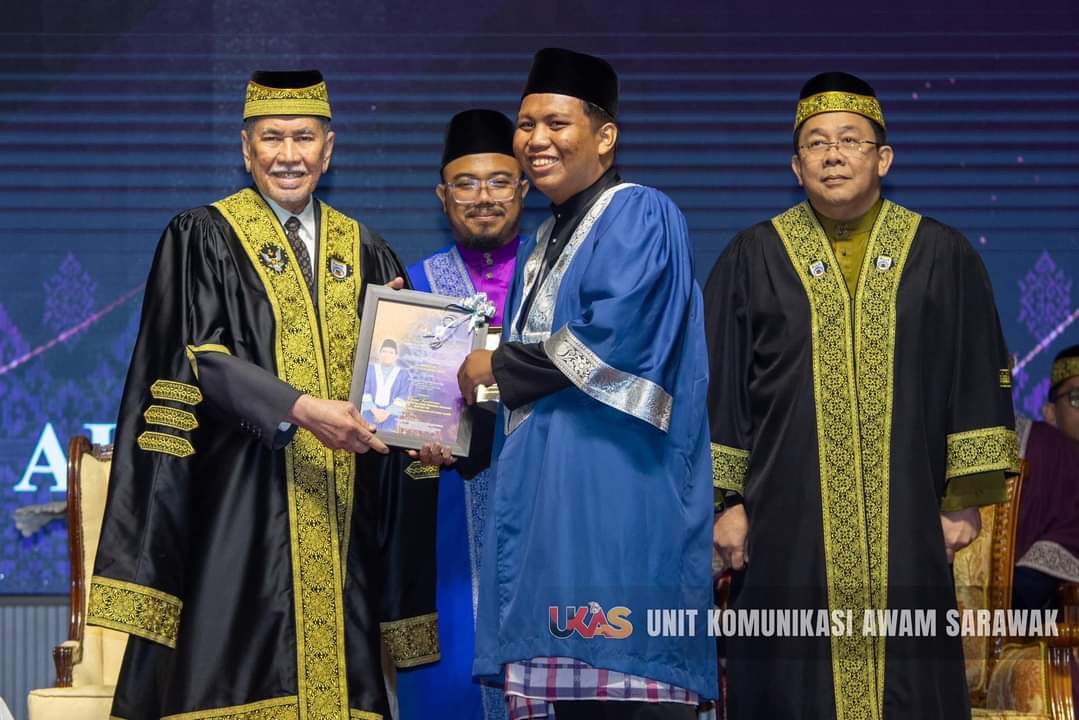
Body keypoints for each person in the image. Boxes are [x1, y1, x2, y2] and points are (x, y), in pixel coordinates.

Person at [87, 70, 439, 720]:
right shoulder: (203, 236)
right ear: (245, 149)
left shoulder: (367, 251)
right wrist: (300, 410)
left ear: (329, 149)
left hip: (342, 528)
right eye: (272, 137)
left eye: (303, 137)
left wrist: (424, 416)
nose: (288, 154)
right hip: (237, 516)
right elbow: (199, 359)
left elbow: (398, 393)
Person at [705, 72, 1018, 719]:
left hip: (909, 517)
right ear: (796, 166)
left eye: (850, 140)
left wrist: (963, 501)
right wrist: (725, 503)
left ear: (883, 158)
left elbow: (975, 373)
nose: (833, 154)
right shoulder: (750, 257)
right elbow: (718, 385)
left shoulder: (942, 254)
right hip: (783, 521)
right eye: (816, 143)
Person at [458, 48, 717, 719]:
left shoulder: (641, 213)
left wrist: (495, 365)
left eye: (556, 123)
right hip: (548, 521)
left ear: (604, 137)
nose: (535, 139)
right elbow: (538, 393)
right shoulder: (541, 240)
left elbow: (616, 335)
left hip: (620, 505)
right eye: (525, 124)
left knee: (628, 696)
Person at [398, 108, 526, 720]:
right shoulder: (415, 286)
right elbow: (396, 412)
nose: (484, 198)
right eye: (466, 184)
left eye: (499, 181)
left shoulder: (557, 277)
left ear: (524, 187)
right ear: (442, 196)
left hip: (546, 506)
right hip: (447, 519)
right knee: (451, 681)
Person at [361, 338, 412, 432]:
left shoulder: (403, 374)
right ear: (379, 353)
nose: (387, 355)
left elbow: (403, 396)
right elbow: (364, 390)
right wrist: (375, 411)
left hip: (391, 416)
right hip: (369, 413)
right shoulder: (370, 369)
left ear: (396, 356)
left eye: (391, 352)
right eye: (384, 351)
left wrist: (387, 413)